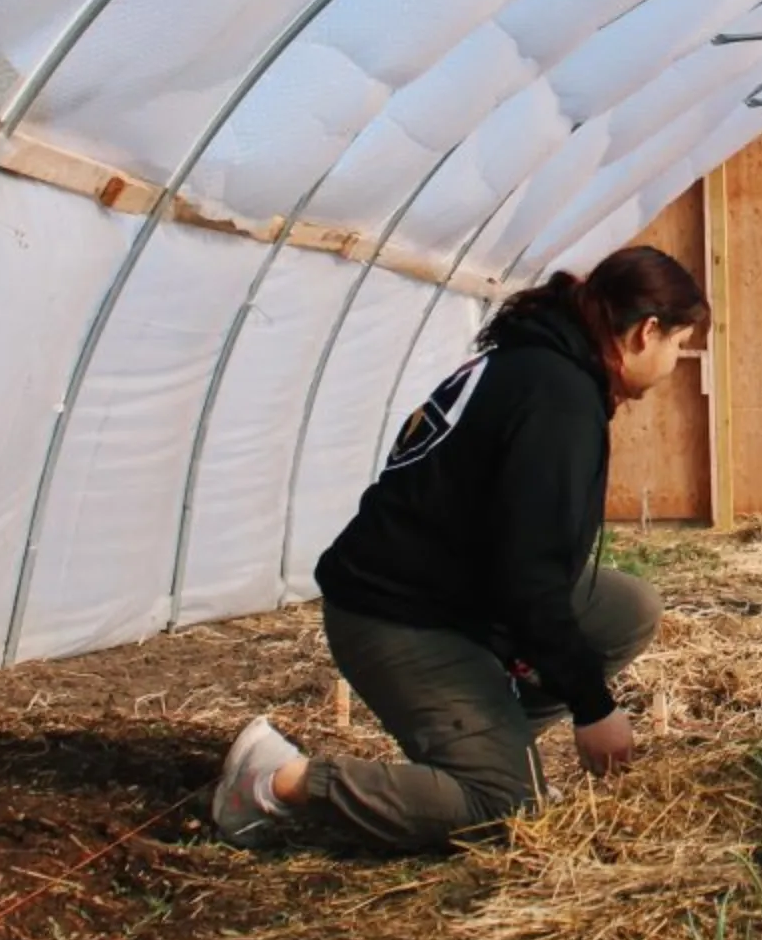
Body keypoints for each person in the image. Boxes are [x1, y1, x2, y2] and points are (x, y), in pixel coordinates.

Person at [209, 245, 709, 852]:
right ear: (645, 332)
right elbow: (529, 580)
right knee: (501, 808)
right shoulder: (557, 398)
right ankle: (275, 782)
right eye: (679, 344)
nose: (677, 360)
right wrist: (593, 708)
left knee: (623, 609)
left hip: (452, 593)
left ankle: (494, 744)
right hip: (398, 617)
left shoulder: (535, 363)